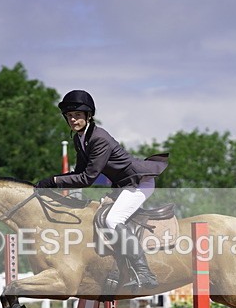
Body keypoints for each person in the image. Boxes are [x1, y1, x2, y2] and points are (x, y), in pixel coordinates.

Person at [35, 90, 168, 291]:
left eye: (78, 115)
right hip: (123, 184)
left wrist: (52, 181)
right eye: (70, 116)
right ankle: (118, 268)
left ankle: (144, 272)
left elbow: (87, 178)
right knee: (98, 215)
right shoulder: (80, 138)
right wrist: (54, 183)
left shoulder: (99, 138)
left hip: (139, 182)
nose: (73, 119)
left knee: (112, 220)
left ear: (88, 116)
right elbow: (79, 173)